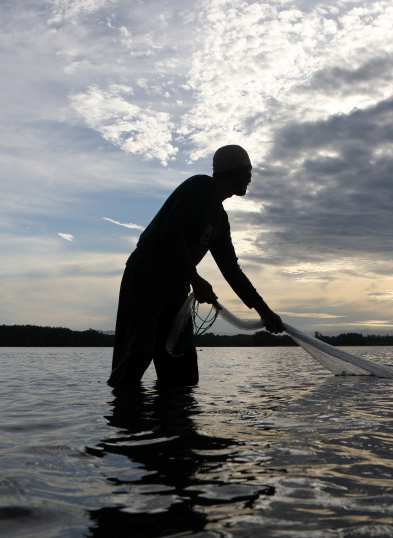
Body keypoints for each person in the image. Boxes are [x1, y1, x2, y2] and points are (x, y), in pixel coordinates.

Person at [108, 145, 284, 387]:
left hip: (176, 288)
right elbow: (170, 230)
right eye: (248, 170)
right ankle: (125, 418)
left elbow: (231, 269)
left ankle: (174, 421)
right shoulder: (200, 187)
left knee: (182, 366)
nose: (250, 177)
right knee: (138, 352)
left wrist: (264, 310)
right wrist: (195, 278)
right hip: (146, 277)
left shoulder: (220, 219)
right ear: (235, 170)